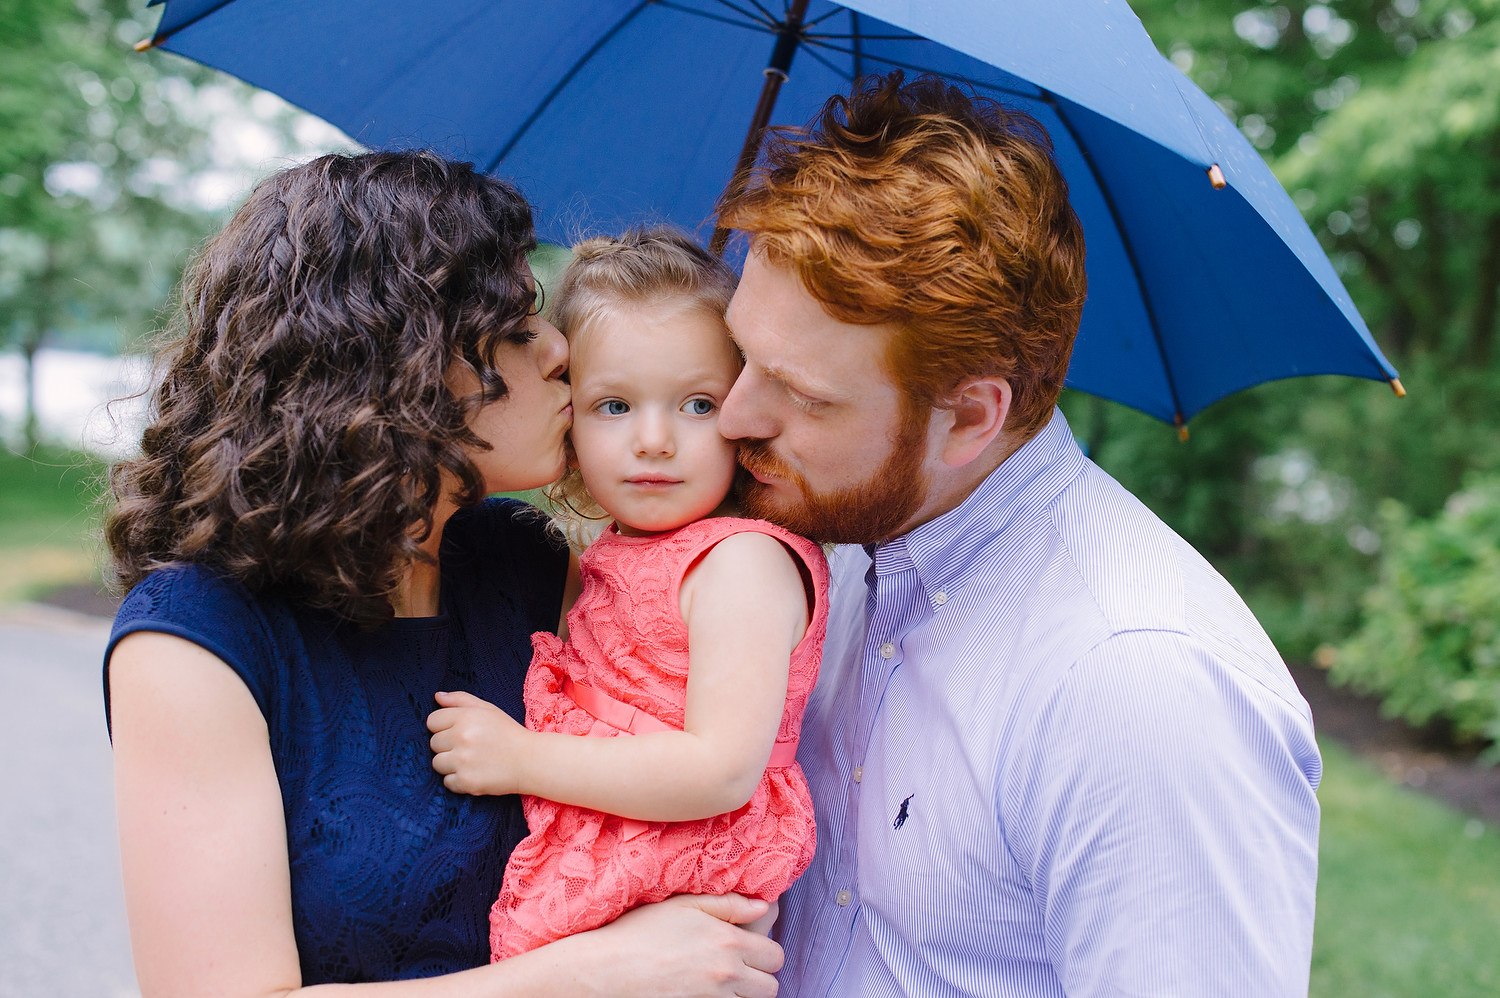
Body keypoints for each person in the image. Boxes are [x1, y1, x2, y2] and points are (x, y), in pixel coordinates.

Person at [103, 152, 782, 997]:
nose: (562, 350)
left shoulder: (528, 561)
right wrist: (592, 974)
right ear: (400, 363)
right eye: (516, 325)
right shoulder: (197, 639)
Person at [713, 72, 1322, 997]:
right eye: (740, 355)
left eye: (801, 394)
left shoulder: (1137, 687)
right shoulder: (833, 545)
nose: (732, 416)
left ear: (968, 418)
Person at [421, 228, 826, 960]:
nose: (654, 440)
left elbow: (721, 769)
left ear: (744, 410)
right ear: (568, 413)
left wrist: (520, 757)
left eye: (697, 405)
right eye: (614, 406)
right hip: (616, 854)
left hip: (679, 866)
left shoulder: (740, 564)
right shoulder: (612, 553)